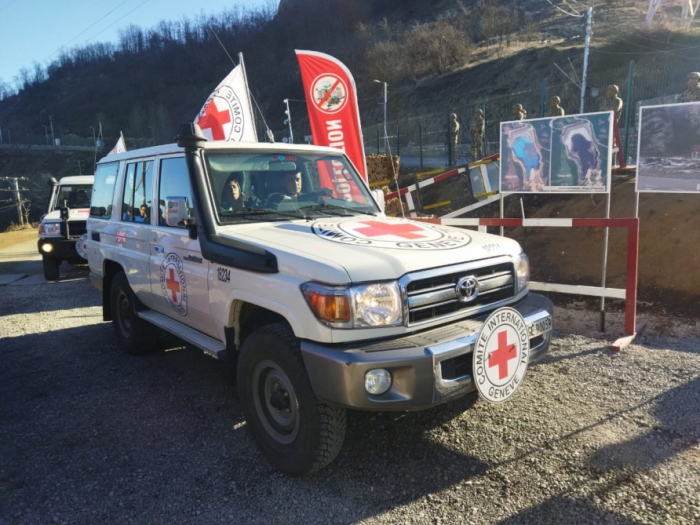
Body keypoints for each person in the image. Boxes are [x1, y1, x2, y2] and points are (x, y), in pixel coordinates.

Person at [265, 172, 332, 209]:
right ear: (282, 182)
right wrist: (316, 193)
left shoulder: (303, 197)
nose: (295, 183)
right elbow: (292, 202)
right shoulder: (275, 197)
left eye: (297, 180)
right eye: (290, 180)